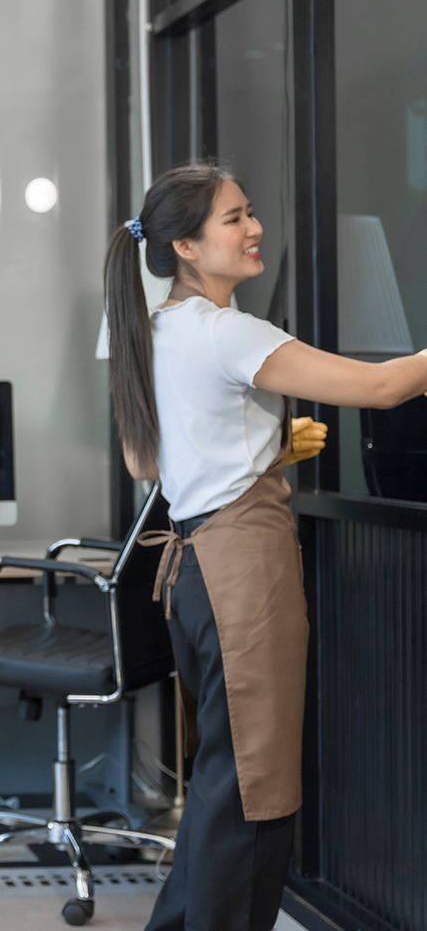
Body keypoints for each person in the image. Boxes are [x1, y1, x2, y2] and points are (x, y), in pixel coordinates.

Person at [103, 161, 427, 930]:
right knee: (256, 787)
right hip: (242, 567)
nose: (253, 230)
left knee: (229, 778)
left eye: (250, 212)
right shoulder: (227, 331)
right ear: (185, 244)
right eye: (232, 219)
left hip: (197, 569)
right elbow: (383, 387)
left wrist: (257, 449)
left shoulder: (158, 330)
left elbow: (143, 462)